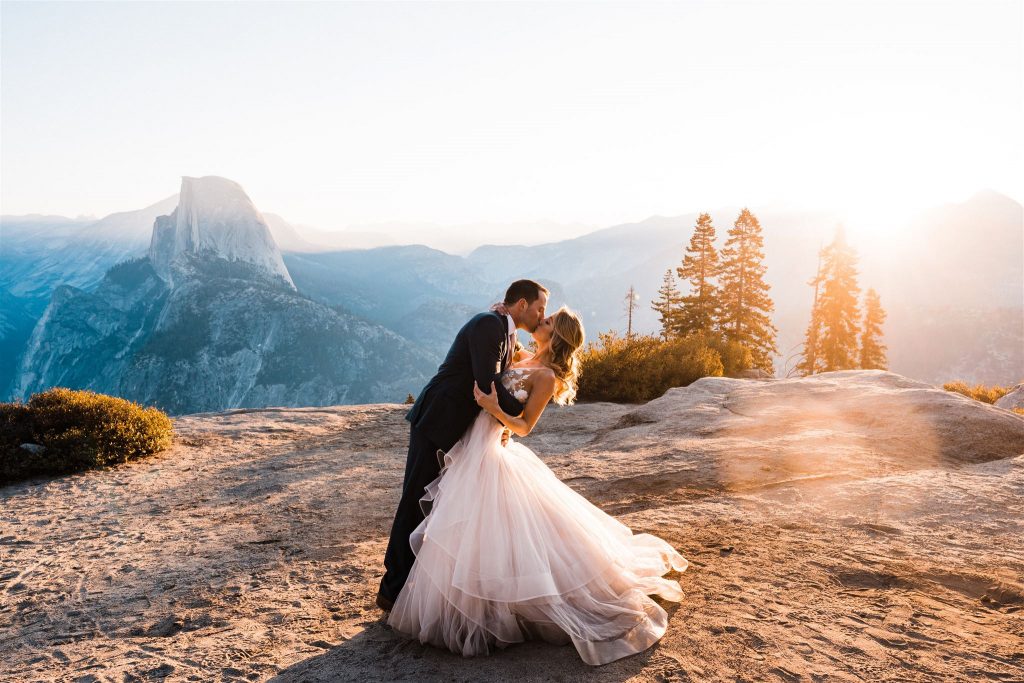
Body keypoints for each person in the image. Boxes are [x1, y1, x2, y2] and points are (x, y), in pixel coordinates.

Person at [384, 305, 688, 666]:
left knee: (490, 526)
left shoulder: (546, 376)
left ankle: (493, 604)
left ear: (555, 334)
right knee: (470, 526)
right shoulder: (521, 353)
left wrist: (493, 407)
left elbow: (525, 426)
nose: (538, 322)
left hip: (491, 448)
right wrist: (502, 312)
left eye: (545, 322)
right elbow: (492, 351)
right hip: (471, 446)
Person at [376, 279, 549, 610]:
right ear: (522, 305)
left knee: (437, 505)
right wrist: (518, 414)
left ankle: (413, 584)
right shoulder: (490, 324)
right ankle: (392, 589)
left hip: (457, 429)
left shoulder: (502, 328)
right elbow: (487, 383)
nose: (542, 316)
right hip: (438, 421)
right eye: (540, 308)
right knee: (415, 499)